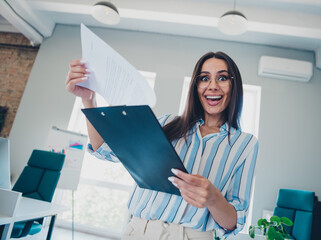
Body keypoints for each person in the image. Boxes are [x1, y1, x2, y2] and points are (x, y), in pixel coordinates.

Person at [65, 51, 258, 240]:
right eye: (204, 78)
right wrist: (88, 99)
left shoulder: (245, 144)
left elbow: (234, 222)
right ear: (195, 86)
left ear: (234, 85)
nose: (213, 86)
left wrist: (213, 198)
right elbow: (104, 149)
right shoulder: (167, 123)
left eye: (222, 78)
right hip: (138, 231)